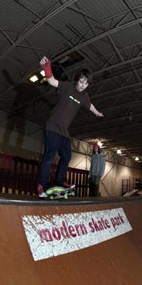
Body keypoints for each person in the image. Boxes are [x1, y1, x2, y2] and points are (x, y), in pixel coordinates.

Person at [37, 56, 104, 197]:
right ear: (77, 79)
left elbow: (89, 105)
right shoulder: (68, 87)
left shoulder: (84, 96)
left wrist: (97, 112)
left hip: (64, 132)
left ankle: (59, 182)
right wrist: (47, 68)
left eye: (85, 84)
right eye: (81, 82)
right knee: (49, 156)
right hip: (52, 127)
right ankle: (41, 185)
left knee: (66, 156)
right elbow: (52, 81)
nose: (82, 86)